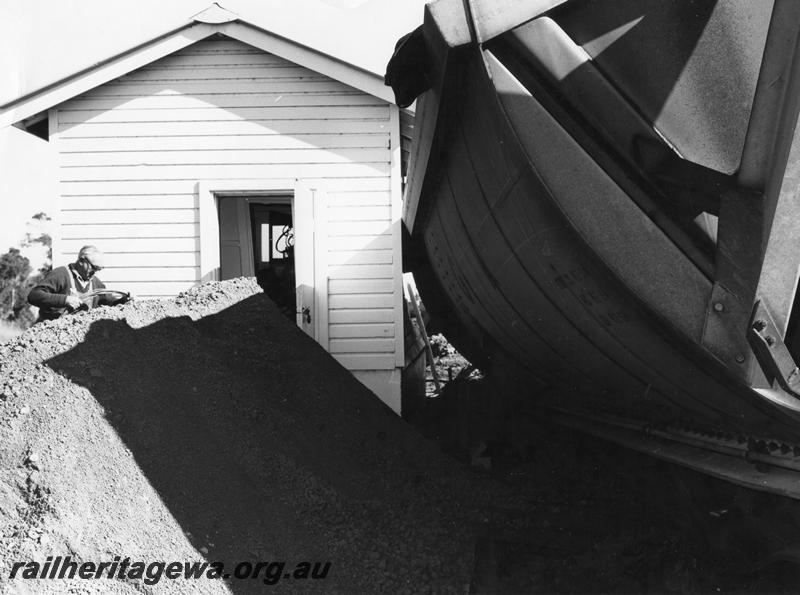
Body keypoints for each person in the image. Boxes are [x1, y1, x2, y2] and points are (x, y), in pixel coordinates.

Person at [27, 245, 131, 322]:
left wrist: (124, 301)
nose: (94, 272)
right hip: (53, 332)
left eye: (98, 269)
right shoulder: (61, 274)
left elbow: (109, 303)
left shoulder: (96, 283)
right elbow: (34, 296)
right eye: (93, 268)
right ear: (81, 261)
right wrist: (65, 300)